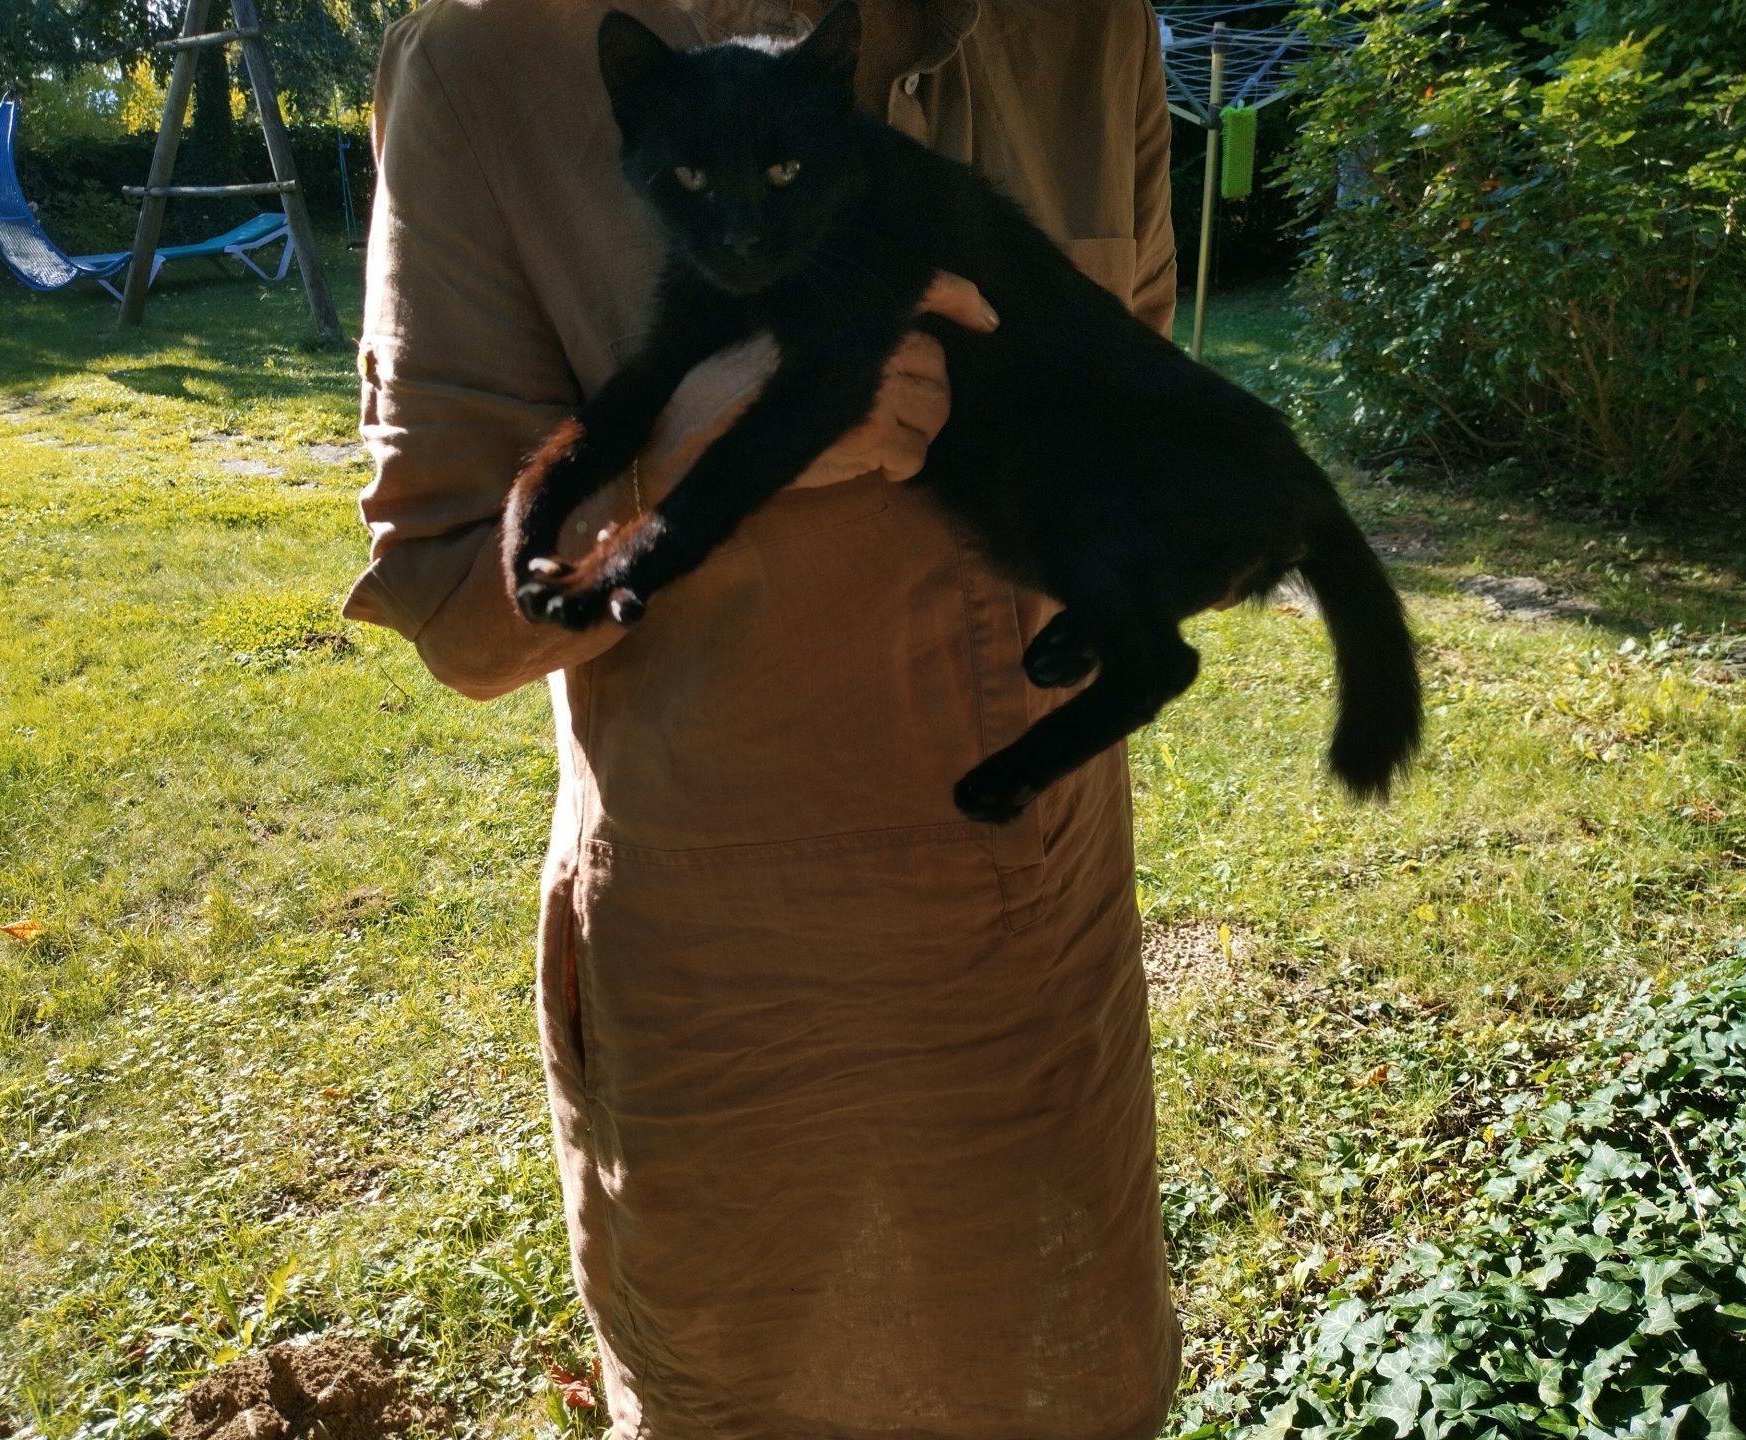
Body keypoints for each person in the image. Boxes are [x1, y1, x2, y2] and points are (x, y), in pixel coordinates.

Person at [343, 1, 1181, 1434]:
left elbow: (1141, 420)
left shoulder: (1084, 26)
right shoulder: (489, 66)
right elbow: (456, 615)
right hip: (738, 992)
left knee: (1068, 1384)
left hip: (1047, 944)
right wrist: (684, 454)